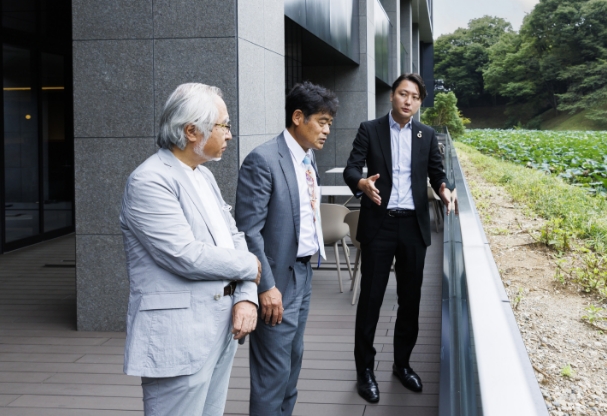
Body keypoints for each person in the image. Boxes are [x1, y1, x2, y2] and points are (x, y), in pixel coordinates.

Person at [120, 83, 262, 416]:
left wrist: (245, 296)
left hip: (221, 326)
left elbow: (234, 238)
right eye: (224, 125)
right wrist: (251, 265)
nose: (230, 134)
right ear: (192, 131)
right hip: (179, 336)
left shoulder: (204, 176)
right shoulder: (149, 181)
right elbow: (184, 255)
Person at [344, 73, 457, 403]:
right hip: (379, 225)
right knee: (371, 301)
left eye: (415, 97)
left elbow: (438, 174)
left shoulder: (427, 134)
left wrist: (445, 190)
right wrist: (362, 184)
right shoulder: (370, 129)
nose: (408, 100)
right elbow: (352, 169)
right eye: (402, 94)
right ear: (392, 96)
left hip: (413, 227)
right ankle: (365, 370)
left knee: (410, 301)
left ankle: (402, 365)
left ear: (420, 102)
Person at [235, 81, 338, 416]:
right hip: (276, 279)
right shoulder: (262, 160)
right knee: (272, 373)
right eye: (321, 122)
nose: (326, 130)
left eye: (329, 124)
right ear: (298, 117)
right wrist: (265, 287)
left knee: (292, 365)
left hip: (304, 274)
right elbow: (248, 232)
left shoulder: (308, 160)